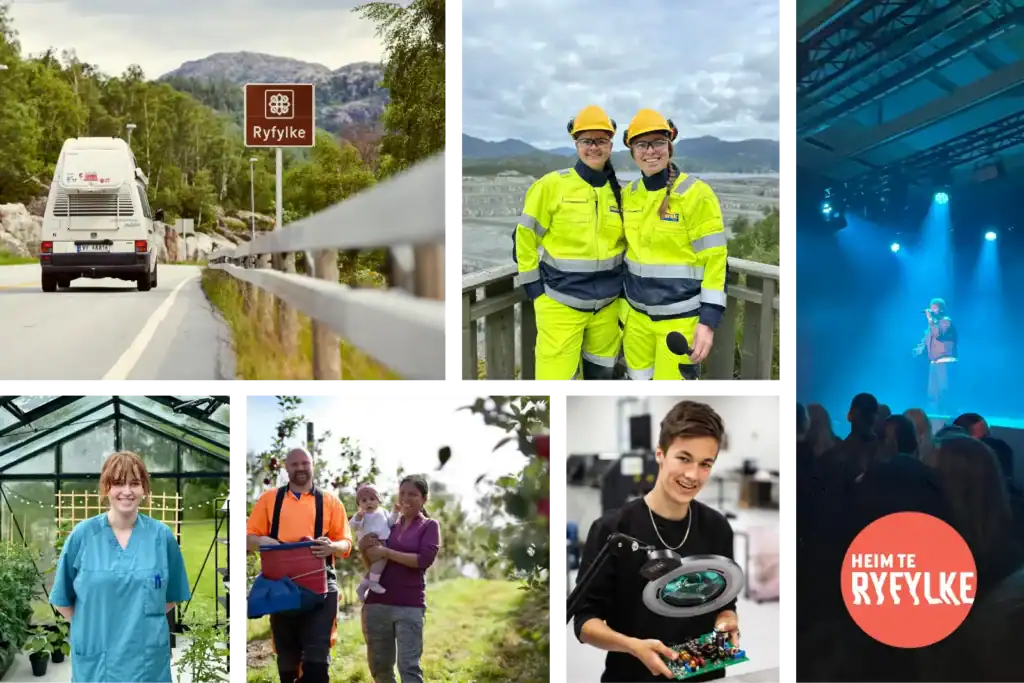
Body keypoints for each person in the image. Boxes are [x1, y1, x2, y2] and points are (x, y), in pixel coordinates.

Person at [573, 400, 739, 681]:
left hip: (702, 669)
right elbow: (584, 621)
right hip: (632, 674)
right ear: (660, 454)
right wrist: (633, 646)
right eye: (683, 458)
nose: (692, 475)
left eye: (705, 464)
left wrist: (727, 621)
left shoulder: (717, 528)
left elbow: (724, 603)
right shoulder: (612, 530)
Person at [50, 451, 191, 683]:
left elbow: (171, 596)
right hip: (97, 661)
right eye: (118, 483)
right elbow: (62, 599)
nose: (127, 491)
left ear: (144, 489)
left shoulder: (161, 537)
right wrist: (92, 626)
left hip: (146, 663)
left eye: (134, 483)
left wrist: (135, 622)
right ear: (106, 488)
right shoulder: (83, 536)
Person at [512, 104, 626, 382]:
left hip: (607, 310)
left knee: (600, 381)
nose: (594, 147)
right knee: (555, 382)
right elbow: (524, 239)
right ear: (576, 144)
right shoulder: (551, 186)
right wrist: (535, 290)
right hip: (560, 306)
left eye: (601, 140)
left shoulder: (619, 194)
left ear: (610, 146)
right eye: (587, 140)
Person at [618, 109, 728, 383]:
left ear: (669, 146)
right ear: (632, 152)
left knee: (674, 401)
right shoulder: (628, 195)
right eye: (642, 145)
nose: (650, 151)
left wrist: (707, 323)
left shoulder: (696, 194)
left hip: (680, 323)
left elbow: (715, 261)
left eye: (658, 142)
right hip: (636, 320)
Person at [245, 447, 353, 683]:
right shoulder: (269, 500)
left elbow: (346, 543)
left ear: (313, 465)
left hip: (320, 588)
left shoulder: (331, 502)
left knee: (317, 658)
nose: (301, 468)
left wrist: (332, 547)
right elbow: (247, 539)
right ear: (286, 468)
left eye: (305, 463)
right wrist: (262, 540)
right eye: (294, 464)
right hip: (281, 588)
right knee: (287, 660)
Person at [359, 475, 441, 683]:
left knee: (409, 668)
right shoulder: (388, 523)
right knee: (380, 668)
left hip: (409, 605)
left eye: (412, 494)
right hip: (377, 604)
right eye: (402, 493)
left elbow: (423, 560)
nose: (406, 498)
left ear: (424, 499)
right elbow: (371, 559)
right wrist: (363, 549)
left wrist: (386, 552)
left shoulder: (430, 526)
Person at [350, 483, 398, 602]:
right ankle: (373, 583)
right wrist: (358, 518)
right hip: (371, 542)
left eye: (372, 499)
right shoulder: (362, 515)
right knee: (382, 560)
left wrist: (395, 512)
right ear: (359, 504)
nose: (368, 503)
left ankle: (362, 587)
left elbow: (391, 523)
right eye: (364, 500)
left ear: (378, 500)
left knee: (375, 566)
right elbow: (353, 526)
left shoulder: (383, 511)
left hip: (382, 541)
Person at [912, 297, 957, 414]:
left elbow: (938, 334)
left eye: (934, 308)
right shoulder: (931, 327)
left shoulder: (946, 321)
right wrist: (918, 349)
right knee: (933, 393)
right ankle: (935, 418)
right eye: (930, 308)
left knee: (945, 391)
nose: (931, 310)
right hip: (934, 362)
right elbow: (926, 341)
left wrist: (930, 319)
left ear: (941, 310)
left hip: (945, 361)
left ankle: (950, 417)